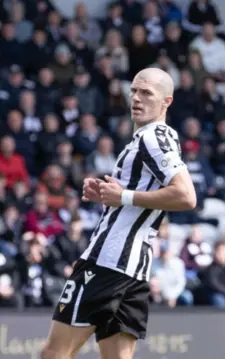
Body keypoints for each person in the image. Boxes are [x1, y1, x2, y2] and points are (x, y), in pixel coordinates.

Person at [40, 68, 197, 359]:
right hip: (134, 270)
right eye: (134, 91)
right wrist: (108, 194)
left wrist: (122, 195)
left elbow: (186, 196)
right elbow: (142, 199)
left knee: (54, 354)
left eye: (146, 93)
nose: (136, 98)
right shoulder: (162, 138)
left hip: (105, 263)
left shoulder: (152, 138)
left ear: (167, 101)